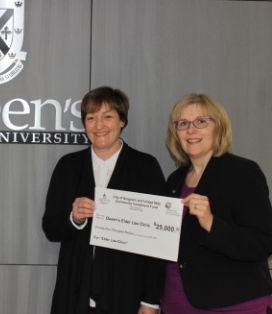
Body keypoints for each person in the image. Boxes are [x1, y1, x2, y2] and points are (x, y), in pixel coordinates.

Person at [42, 86, 166, 314]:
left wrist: (150, 301)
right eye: (91, 118)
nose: (99, 126)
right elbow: (50, 228)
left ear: (122, 121)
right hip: (75, 292)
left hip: (127, 293)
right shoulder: (68, 166)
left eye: (107, 116)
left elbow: (158, 243)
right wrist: (74, 218)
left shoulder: (146, 167)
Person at [161, 93, 272, 313]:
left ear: (218, 128)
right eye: (183, 124)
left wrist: (211, 222)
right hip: (176, 304)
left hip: (232, 305)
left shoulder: (243, 172)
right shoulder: (174, 180)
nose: (191, 130)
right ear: (176, 133)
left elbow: (263, 243)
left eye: (201, 122)